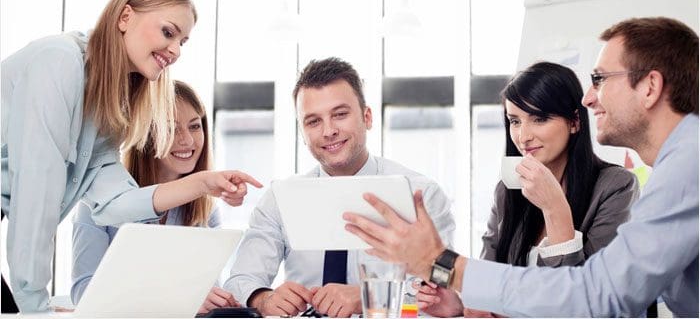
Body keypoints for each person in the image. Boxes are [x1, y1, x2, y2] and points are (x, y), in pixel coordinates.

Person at [344, 16, 698, 317]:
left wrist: (443, 262)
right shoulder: (678, 165)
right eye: (514, 121)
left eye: (601, 79)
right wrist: (460, 304)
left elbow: (598, 297)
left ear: (650, 86)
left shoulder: (682, 167)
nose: (590, 98)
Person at [0, 0, 262, 313]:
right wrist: (35, 307)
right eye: (169, 32)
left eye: (183, 41)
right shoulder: (59, 62)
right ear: (125, 17)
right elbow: (36, 194)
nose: (175, 50)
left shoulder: (111, 104)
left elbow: (115, 203)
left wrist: (202, 183)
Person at [222, 58, 456, 318]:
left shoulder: (421, 195)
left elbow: (444, 290)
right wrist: (263, 298)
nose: (329, 131)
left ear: (367, 117)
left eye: (340, 114)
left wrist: (369, 296)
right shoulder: (280, 199)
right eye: (313, 121)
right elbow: (240, 281)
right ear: (302, 132)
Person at [416, 62, 638, 317]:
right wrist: (459, 306)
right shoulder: (507, 191)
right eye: (515, 121)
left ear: (575, 121)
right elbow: (489, 286)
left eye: (539, 119)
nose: (523, 136)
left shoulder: (616, 187)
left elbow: (580, 305)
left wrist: (555, 208)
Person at [70, 80, 239, 313]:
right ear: (145, 135)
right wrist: (180, 297)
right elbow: (83, 292)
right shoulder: (99, 202)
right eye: (170, 128)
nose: (188, 141)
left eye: (194, 126)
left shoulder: (206, 209)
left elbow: (209, 289)